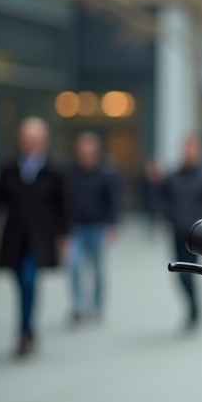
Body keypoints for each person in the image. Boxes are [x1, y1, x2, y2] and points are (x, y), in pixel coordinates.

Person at [0, 118, 73, 357]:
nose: (29, 144)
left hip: (40, 235)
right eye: (26, 140)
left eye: (34, 140)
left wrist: (64, 236)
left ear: (43, 141)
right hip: (15, 235)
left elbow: (65, 205)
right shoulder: (9, 166)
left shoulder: (54, 169)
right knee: (20, 281)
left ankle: (25, 332)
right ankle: (27, 328)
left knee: (29, 279)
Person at [159, 135, 202, 331]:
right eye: (186, 149)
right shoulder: (173, 176)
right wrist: (172, 217)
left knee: (192, 271)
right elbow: (162, 199)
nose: (188, 153)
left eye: (192, 149)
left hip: (198, 235)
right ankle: (192, 305)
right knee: (180, 274)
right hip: (178, 232)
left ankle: (194, 310)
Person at [67, 132, 121, 323]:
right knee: (73, 266)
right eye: (83, 153)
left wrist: (112, 224)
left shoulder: (105, 173)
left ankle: (98, 306)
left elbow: (113, 199)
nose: (86, 157)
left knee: (98, 270)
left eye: (90, 153)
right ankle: (78, 306)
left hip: (98, 227)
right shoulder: (70, 173)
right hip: (76, 229)